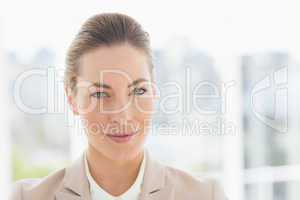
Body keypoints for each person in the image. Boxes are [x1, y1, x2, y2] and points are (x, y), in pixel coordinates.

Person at [10, 12, 228, 200]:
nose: (122, 117)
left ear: (154, 92)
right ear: (72, 99)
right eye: (101, 94)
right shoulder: (27, 197)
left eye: (138, 91)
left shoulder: (205, 195)